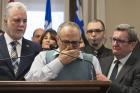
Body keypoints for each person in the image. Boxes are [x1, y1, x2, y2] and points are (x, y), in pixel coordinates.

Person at [25, 22, 102, 81]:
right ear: (58, 40)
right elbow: (31, 79)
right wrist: (59, 62)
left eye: (74, 42)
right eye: (66, 42)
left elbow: (100, 87)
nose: (70, 46)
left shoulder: (91, 60)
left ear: (80, 41)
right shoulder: (43, 56)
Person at [0, 2, 40, 80]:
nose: (22, 24)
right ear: (5, 22)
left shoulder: (35, 48)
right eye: (17, 20)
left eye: (24, 21)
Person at [96, 24, 140, 93]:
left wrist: (109, 84)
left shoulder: (137, 66)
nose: (115, 44)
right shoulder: (102, 62)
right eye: (114, 39)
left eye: (120, 41)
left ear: (132, 45)